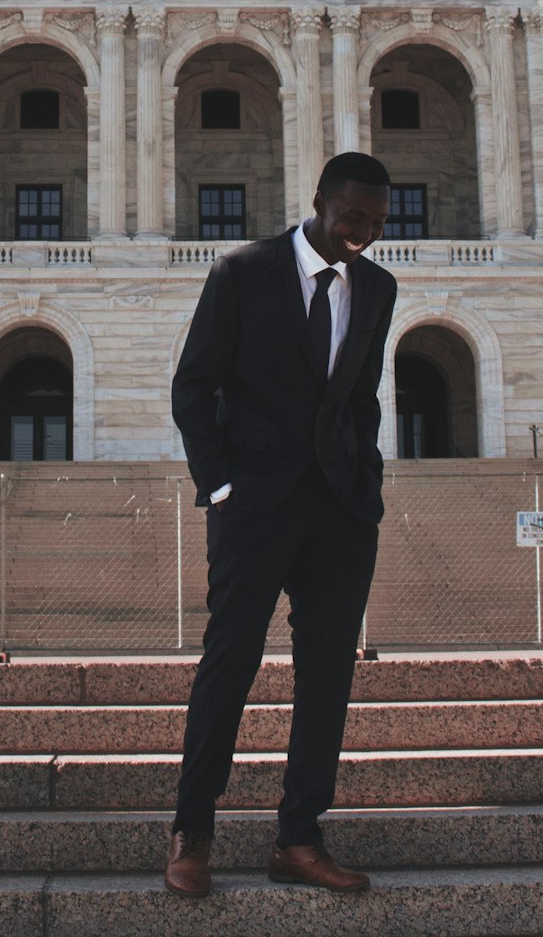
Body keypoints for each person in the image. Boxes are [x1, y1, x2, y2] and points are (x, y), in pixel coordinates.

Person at [165, 152, 398, 898]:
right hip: (254, 505)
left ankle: (298, 837)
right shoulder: (243, 273)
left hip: (340, 510)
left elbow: (361, 397)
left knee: (327, 677)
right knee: (228, 667)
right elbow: (194, 387)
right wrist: (222, 486)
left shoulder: (378, 287)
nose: (363, 235)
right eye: (352, 219)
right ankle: (192, 834)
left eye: (376, 223)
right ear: (320, 204)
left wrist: (368, 483)